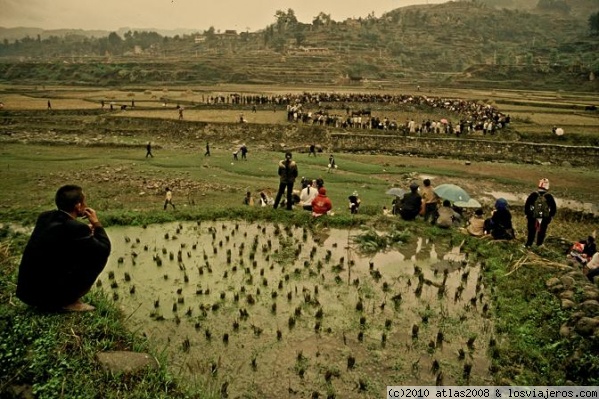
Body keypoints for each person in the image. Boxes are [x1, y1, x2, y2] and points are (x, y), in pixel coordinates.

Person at [16, 185, 111, 311]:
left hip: (27, 294)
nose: (85, 204)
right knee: (97, 256)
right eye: (84, 201)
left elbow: (61, 238)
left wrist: (85, 233)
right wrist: (96, 223)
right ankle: (68, 300)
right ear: (78, 206)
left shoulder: (45, 217)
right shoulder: (76, 228)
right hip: (46, 298)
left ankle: (59, 296)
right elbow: (104, 248)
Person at [524, 178, 557, 248]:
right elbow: (553, 209)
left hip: (532, 217)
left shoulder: (533, 195)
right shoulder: (549, 197)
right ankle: (539, 244)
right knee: (541, 232)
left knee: (531, 231)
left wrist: (528, 215)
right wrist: (549, 217)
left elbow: (527, 206)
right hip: (544, 218)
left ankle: (529, 244)